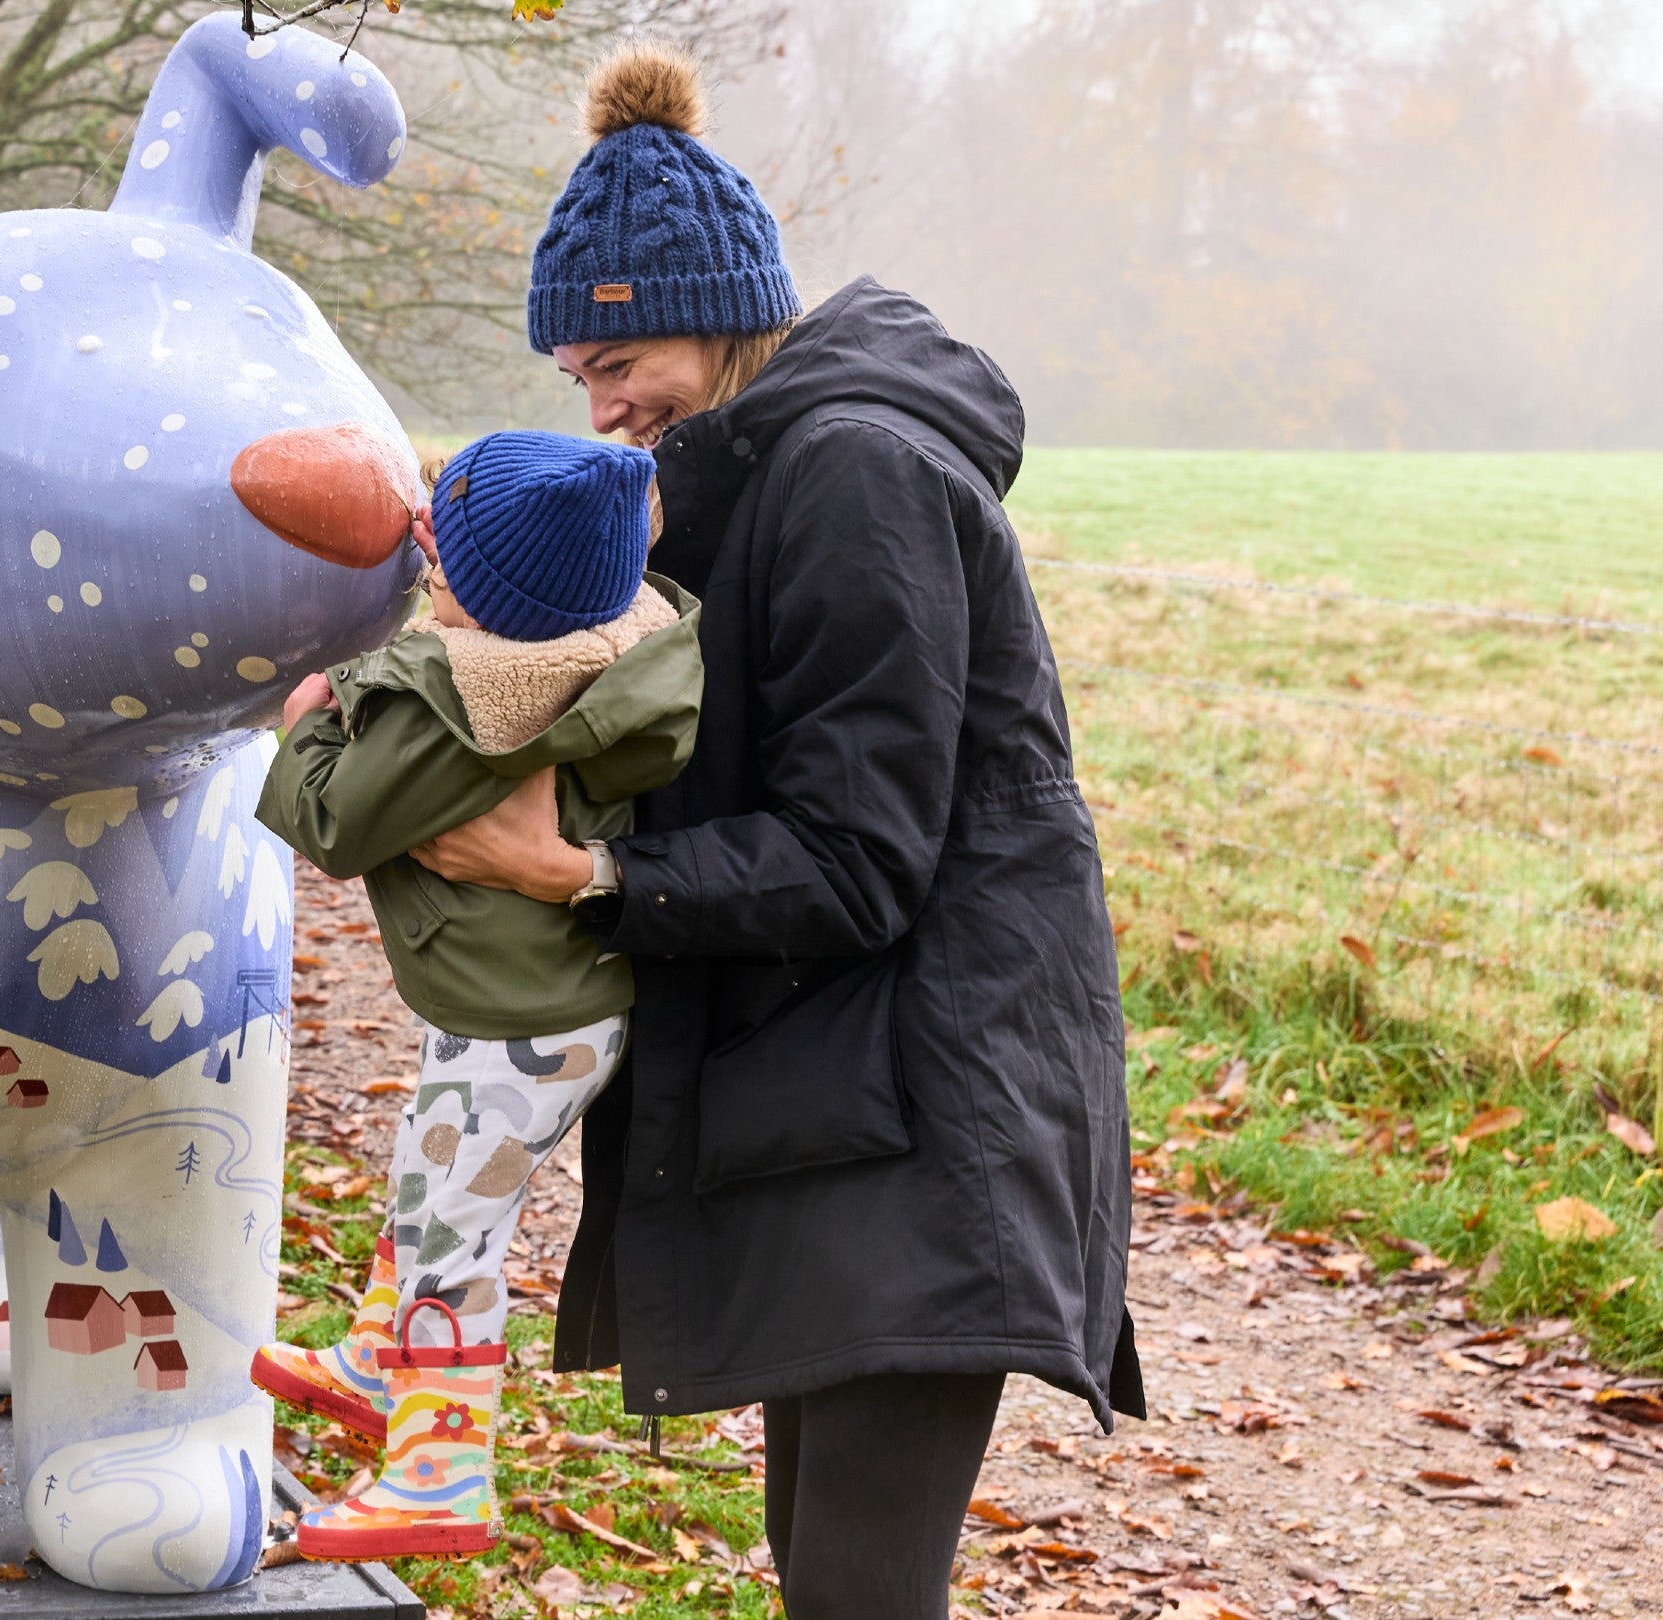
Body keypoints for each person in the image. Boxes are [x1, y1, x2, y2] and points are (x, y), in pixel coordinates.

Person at [402, 44, 1146, 1619]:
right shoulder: (745, 478)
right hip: (853, 1101)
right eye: (579, 386)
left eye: (622, 368)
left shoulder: (855, 472)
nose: (605, 413)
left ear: (726, 314)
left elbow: (859, 856)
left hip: (939, 1107)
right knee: (835, 1588)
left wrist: (582, 876)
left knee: (858, 1594)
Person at [249, 430, 702, 1562]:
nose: (426, 567)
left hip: (526, 1019)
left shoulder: (472, 706)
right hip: (534, 1000)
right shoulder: (599, 635)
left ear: (494, 603)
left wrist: (302, 723)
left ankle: (438, 1473)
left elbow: (338, 822)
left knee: (454, 1227)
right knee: (426, 1177)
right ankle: (372, 1359)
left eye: (444, 567)